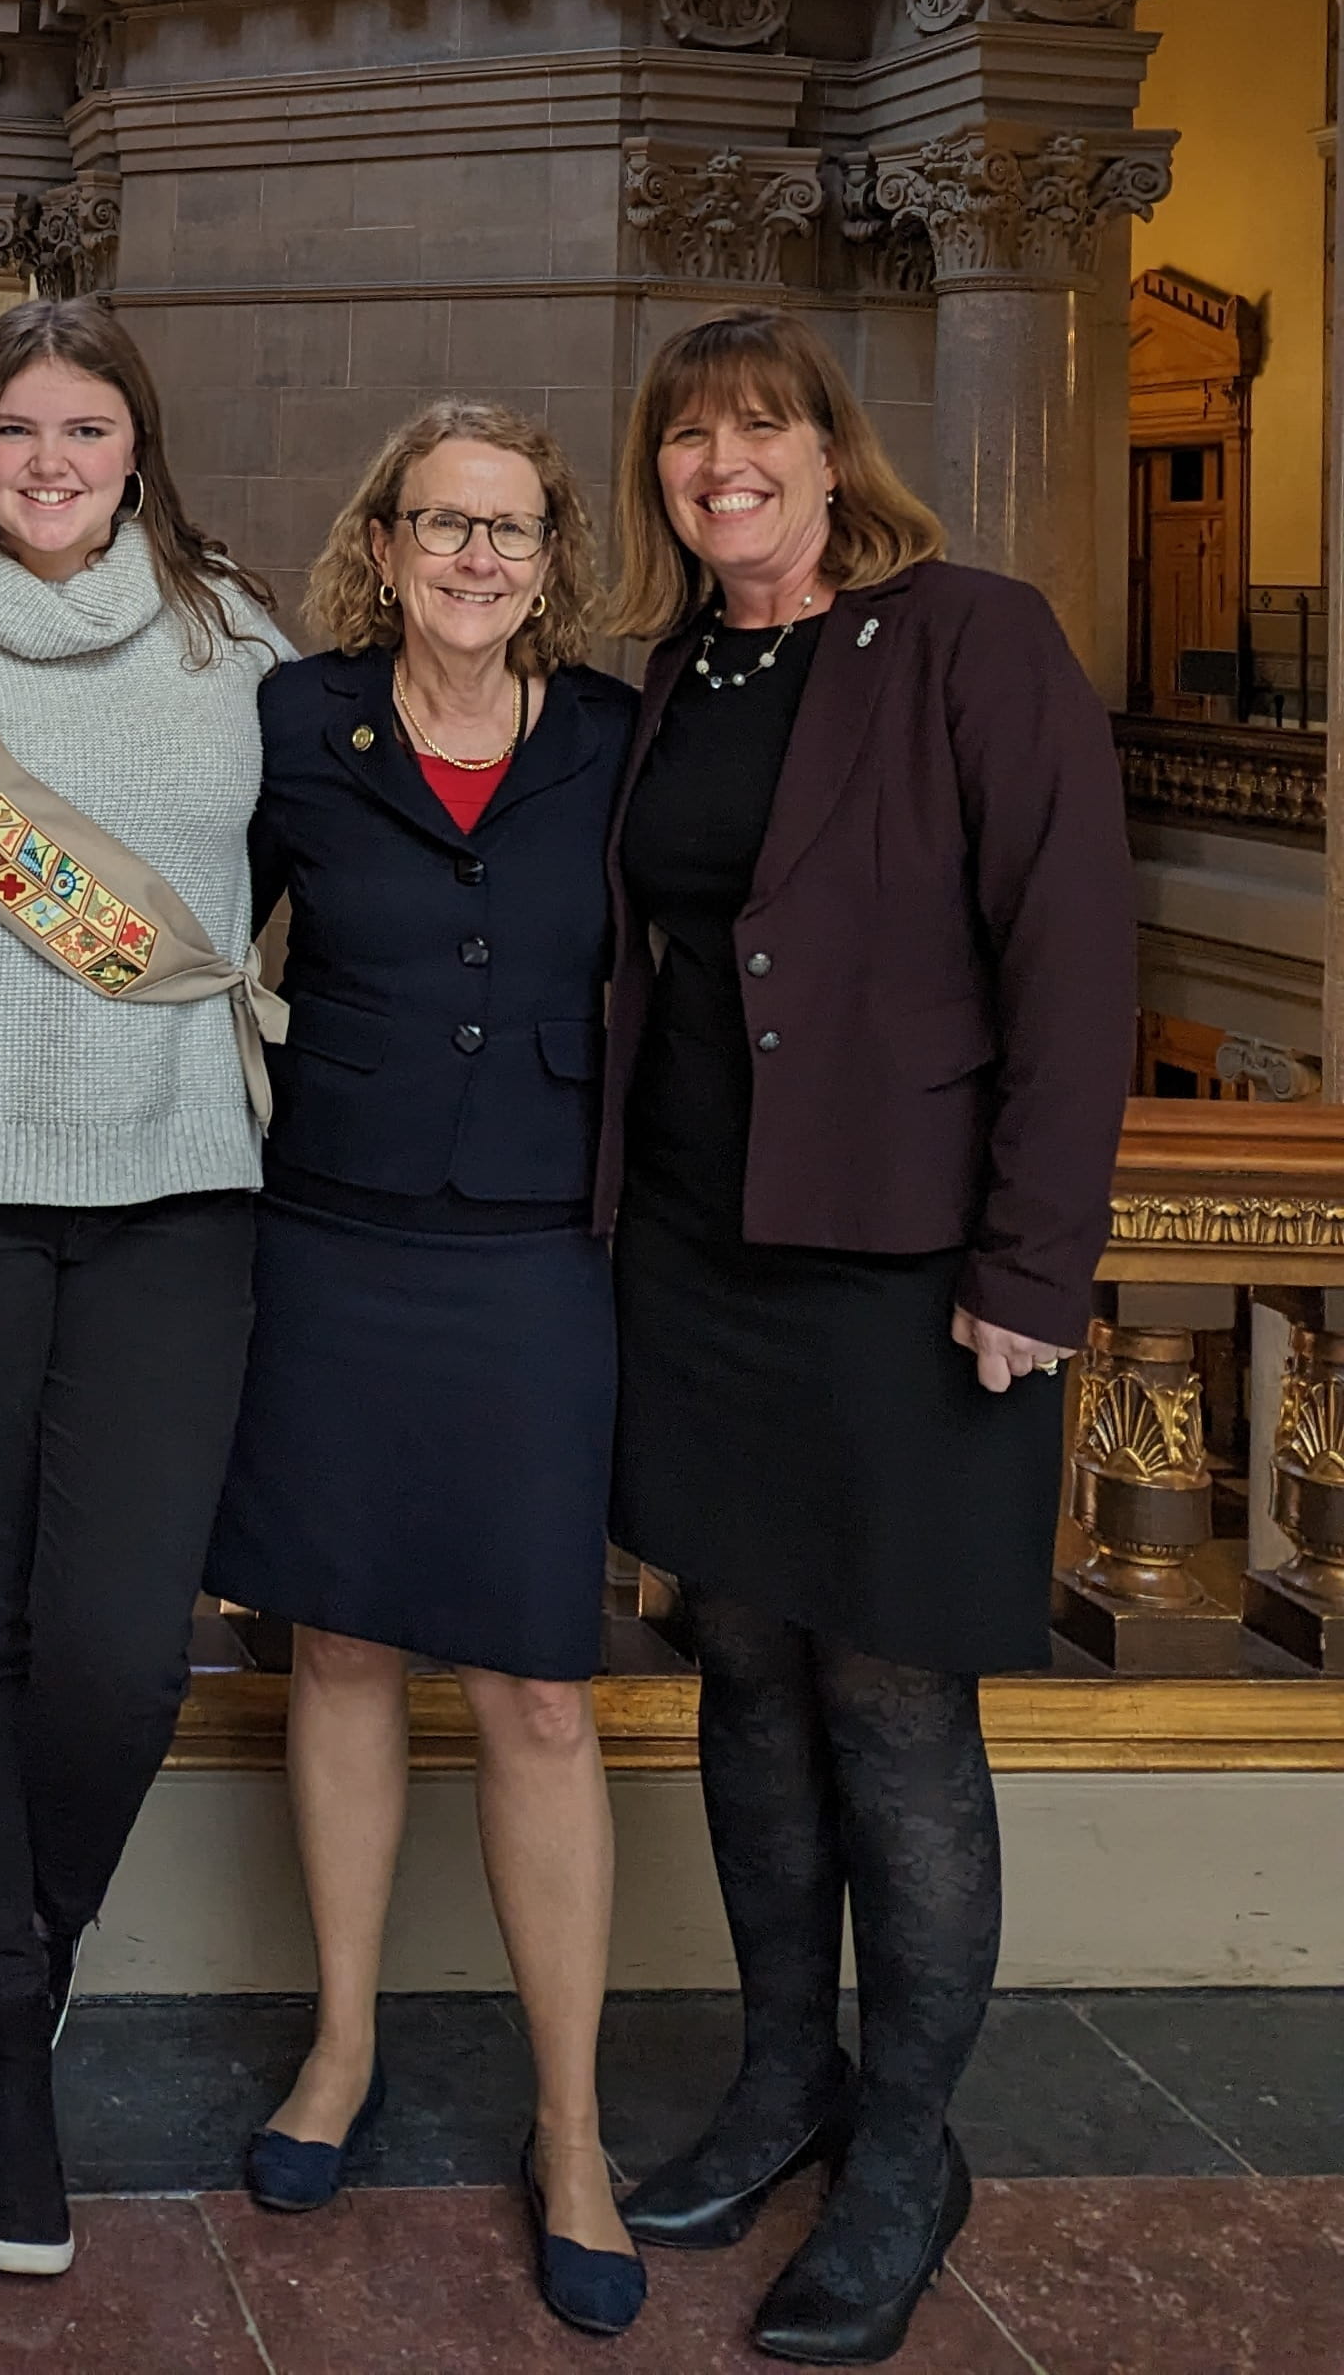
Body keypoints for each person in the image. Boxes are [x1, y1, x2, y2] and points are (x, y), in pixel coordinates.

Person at [600, 311, 1135, 2366]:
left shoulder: (973, 638)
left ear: (836, 455)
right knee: (742, 1675)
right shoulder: (668, 674)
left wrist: (1030, 1266)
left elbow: (1073, 961)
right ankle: (780, 2076)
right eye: (689, 441)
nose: (723, 466)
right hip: (695, 1256)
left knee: (898, 1717)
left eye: (762, 431)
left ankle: (908, 2145)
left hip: (912, 1273)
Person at [0, 297, 285, 2282]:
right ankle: (2, 2034)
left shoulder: (241, 640)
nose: (47, 457)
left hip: (181, 1181)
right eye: (15, 425)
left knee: (115, 1646)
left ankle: (17, 1954)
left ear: (138, 445)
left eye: (84, 426)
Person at [208, 403, 644, 2336]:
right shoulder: (294, 723)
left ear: (555, 560)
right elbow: (174, 934)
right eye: (443, 525)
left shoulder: (623, 745)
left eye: (515, 531)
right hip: (334, 1232)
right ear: (379, 543)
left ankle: (572, 2133)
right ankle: (344, 2046)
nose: (478, 559)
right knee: (341, 1651)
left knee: (545, 1696)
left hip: (543, 1254)